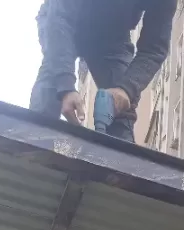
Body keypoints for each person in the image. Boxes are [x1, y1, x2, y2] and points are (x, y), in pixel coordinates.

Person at [30, 0, 176, 142]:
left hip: (113, 36)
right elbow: (59, 19)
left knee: (120, 105)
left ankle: (118, 155)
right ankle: (33, 145)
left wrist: (126, 89)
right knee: (52, 83)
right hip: (61, 19)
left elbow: (154, 48)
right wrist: (65, 85)